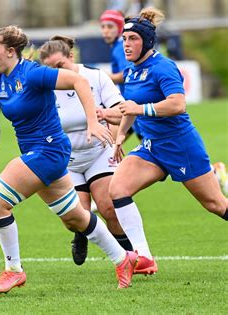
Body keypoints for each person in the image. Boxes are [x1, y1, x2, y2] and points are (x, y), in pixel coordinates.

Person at [0, 25, 139, 294]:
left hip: (49, 151)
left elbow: (78, 82)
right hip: (36, 154)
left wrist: (92, 121)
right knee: (76, 217)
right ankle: (122, 258)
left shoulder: (33, 74)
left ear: (10, 51)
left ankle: (13, 270)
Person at [109, 8, 228, 271]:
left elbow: (177, 105)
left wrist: (139, 110)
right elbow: (130, 107)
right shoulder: (131, 71)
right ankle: (143, 257)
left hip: (180, 145)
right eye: (125, 40)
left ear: (147, 42)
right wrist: (119, 138)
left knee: (215, 204)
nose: (127, 45)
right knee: (117, 189)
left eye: (133, 40)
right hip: (152, 147)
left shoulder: (163, 67)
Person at [39, 36, 159, 273]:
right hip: (67, 160)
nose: (56, 73)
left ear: (71, 57)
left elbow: (119, 111)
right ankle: (80, 235)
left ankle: (134, 259)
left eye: (59, 66)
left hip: (98, 152)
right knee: (75, 218)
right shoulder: (45, 87)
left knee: (108, 207)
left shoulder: (95, 77)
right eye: (50, 69)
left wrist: (115, 137)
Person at [100, 9, 143, 142]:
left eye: (110, 26)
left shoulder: (120, 48)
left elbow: (127, 74)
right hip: (129, 104)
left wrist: (102, 77)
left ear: (119, 28)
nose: (105, 31)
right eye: (103, 27)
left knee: (108, 145)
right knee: (110, 145)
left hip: (133, 105)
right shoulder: (118, 47)